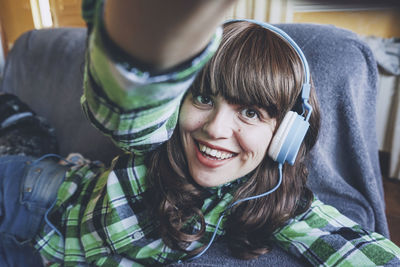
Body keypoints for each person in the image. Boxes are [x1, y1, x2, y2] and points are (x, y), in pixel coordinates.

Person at [1, 0, 400, 266]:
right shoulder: (157, 141)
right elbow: (127, 110)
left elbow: (357, 249)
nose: (214, 129)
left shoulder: (279, 204)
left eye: (250, 111)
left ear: (287, 133)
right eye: (204, 99)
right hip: (29, 192)